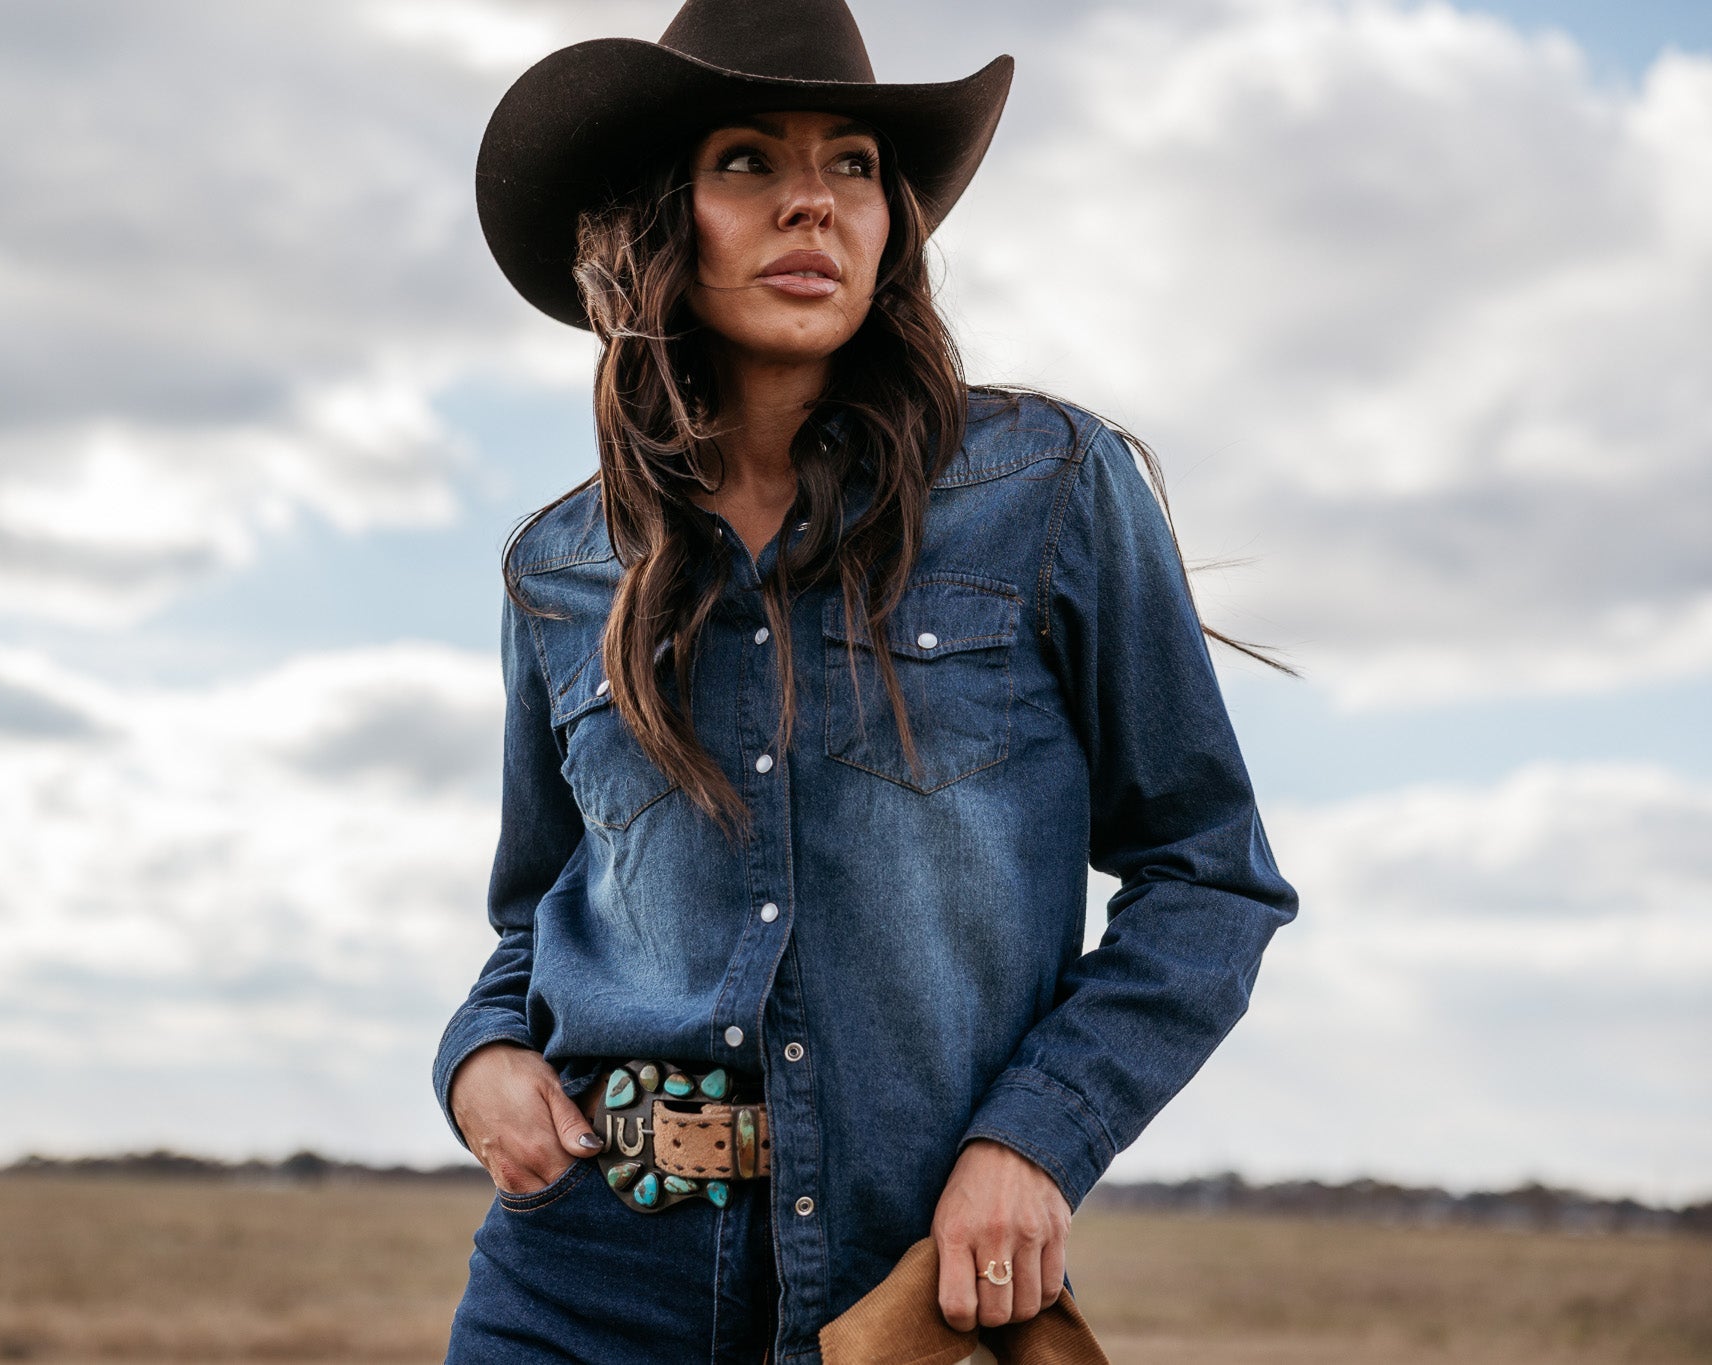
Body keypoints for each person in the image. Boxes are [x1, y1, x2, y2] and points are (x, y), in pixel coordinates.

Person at [432, 0, 1300, 1360]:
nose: (812, 207)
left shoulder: (1050, 491)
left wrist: (1036, 1137)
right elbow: (533, 916)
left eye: (850, 164)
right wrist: (478, 1058)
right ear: (663, 218)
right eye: (748, 163)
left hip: (895, 1299)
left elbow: (1210, 874)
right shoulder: (560, 571)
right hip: (581, 1282)